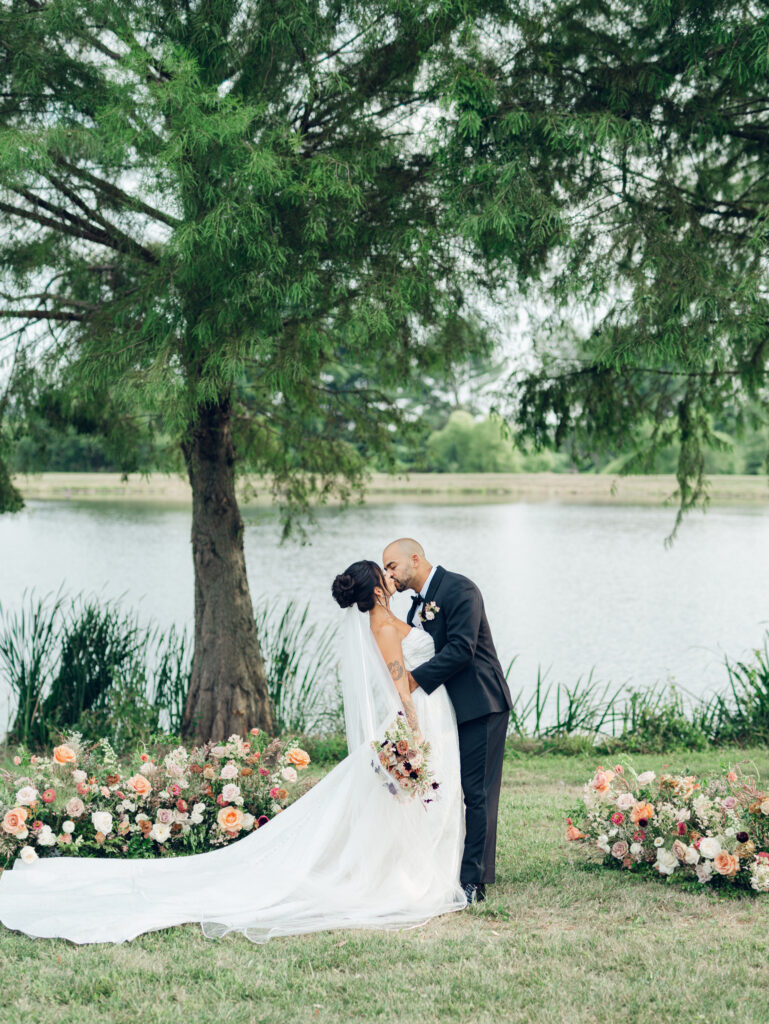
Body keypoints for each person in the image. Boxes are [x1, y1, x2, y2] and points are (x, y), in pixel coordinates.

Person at [0, 560, 466, 944]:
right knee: (401, 802)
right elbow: (401, 683)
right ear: (379, 592)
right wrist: (416, 732)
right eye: (385, 574)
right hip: (416, 718)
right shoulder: (383, 626)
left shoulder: (385, 619)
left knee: (401, 803)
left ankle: (404, 867)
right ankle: (400, 876)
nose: (392, 576)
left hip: (425, 713)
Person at [382, 538, 512, 905]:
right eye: (386, 570)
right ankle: (454, 865)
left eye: (392, 566)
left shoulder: (460, 589)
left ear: (415, 558)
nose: (390, 574)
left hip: (481, 702)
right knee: (453, 788)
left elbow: (461, 648)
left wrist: (411, 680)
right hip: (447, 709)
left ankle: (474, 880)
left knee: (478, 793)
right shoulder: (415, 607)